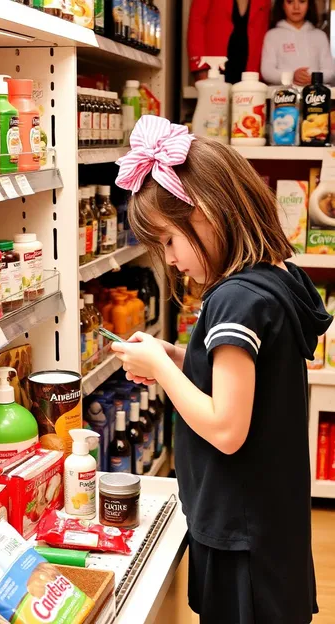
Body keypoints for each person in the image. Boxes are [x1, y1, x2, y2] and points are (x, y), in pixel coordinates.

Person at [113, 115, 331, 624]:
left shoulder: (235, 300)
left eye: (168, 241)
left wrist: (165, 376)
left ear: (208, 213)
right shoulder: (271, 279)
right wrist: (175, 358)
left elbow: (227, 429)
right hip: (268, 524)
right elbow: (240, 384)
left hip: (240, 534)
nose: (169, 260)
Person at [187, 0, 271, 84]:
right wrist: (200, 69)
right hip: (214, 70)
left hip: (251, 75)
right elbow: (196, 22)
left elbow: (265, 28)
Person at [261, 0, 334, 85]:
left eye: (302, 1)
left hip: (315, 95)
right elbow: (267, 71)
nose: (296, 7)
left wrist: (312, 78)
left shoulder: (320, 36)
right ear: (282, 5)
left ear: (309, 5)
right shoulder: (272, 35)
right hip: (282, 95)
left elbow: (330, 71)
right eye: (290, 2)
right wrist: (292, 76)